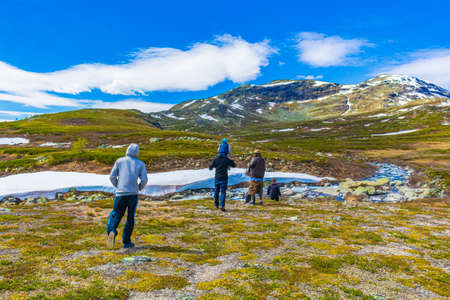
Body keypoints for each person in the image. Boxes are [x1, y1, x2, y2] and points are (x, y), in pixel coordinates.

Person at [106, 143, 148, 249]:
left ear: (127, 150)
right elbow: (144, 180)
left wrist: (118, 186)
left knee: (116, 214)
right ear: (137, 152)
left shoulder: (119, 161)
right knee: (130, 217)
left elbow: (112, 177)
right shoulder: (140, 164)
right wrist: (139, 187)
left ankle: (111, 231)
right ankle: (126, 242)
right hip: (133, 194)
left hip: (120, 193)